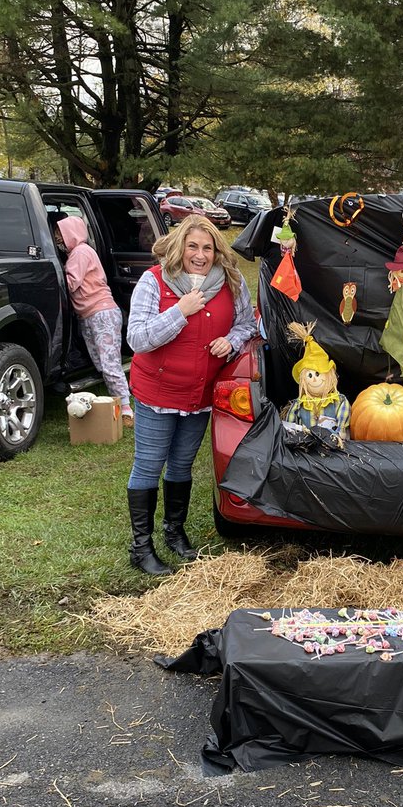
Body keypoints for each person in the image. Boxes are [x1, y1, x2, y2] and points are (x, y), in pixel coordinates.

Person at [125, 216, 256, 574]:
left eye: (207, 248)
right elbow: (137, 339)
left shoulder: (231, 282)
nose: (200, 255)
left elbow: (247, 324)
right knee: (149, 465)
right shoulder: (154, 281)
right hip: (157, 392)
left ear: (217, 252)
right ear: (179, 247)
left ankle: (175, 533)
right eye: (192, 246)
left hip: (199, 395)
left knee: (182, 465)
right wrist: (179, 311)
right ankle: (141, 547)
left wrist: (231, 341)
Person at [55, 216, 134, 425]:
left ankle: (125, 408)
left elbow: (71, 283)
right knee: (101, 362)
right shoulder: (79, 253)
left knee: (109, 363)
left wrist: (54, 277)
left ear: (71, 234)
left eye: (60, 234)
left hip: (101, 313)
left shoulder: (80, 252)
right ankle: (113, 401)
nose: (58, 239)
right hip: (90, 314)